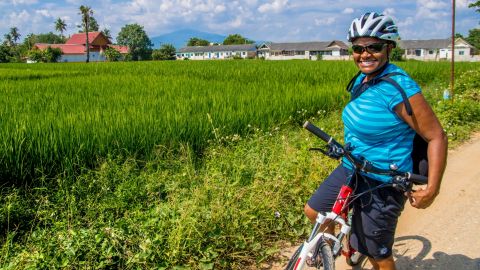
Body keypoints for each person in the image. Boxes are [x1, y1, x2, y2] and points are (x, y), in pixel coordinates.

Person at [303, 12, 448, 270]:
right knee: (315, 212)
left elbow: (436, 136)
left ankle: (362, 243)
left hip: (384, 180)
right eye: (358, 48)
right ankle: (345, 239)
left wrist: (432, 189)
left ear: (389, 48)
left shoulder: (398, 88)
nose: (365, 54)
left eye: (374, 47)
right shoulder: (363, 79)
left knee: (377, 255)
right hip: (353, 165)